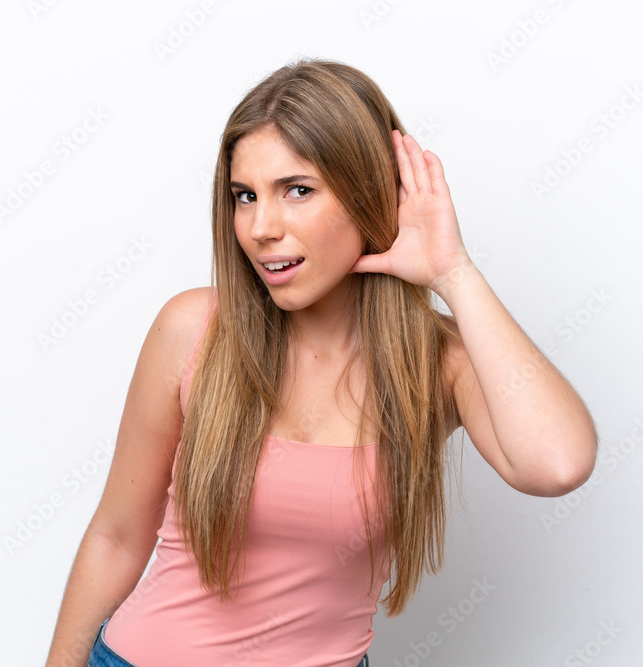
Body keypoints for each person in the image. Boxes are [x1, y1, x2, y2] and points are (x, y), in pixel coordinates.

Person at [45, 57, 598, 667]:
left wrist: (454, 272)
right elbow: (117, 535)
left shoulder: (438, 364)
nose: (260, 227)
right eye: (245, 196)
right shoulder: (193, 329)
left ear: (369, 194)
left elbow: (559, 464)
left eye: (297, 191)